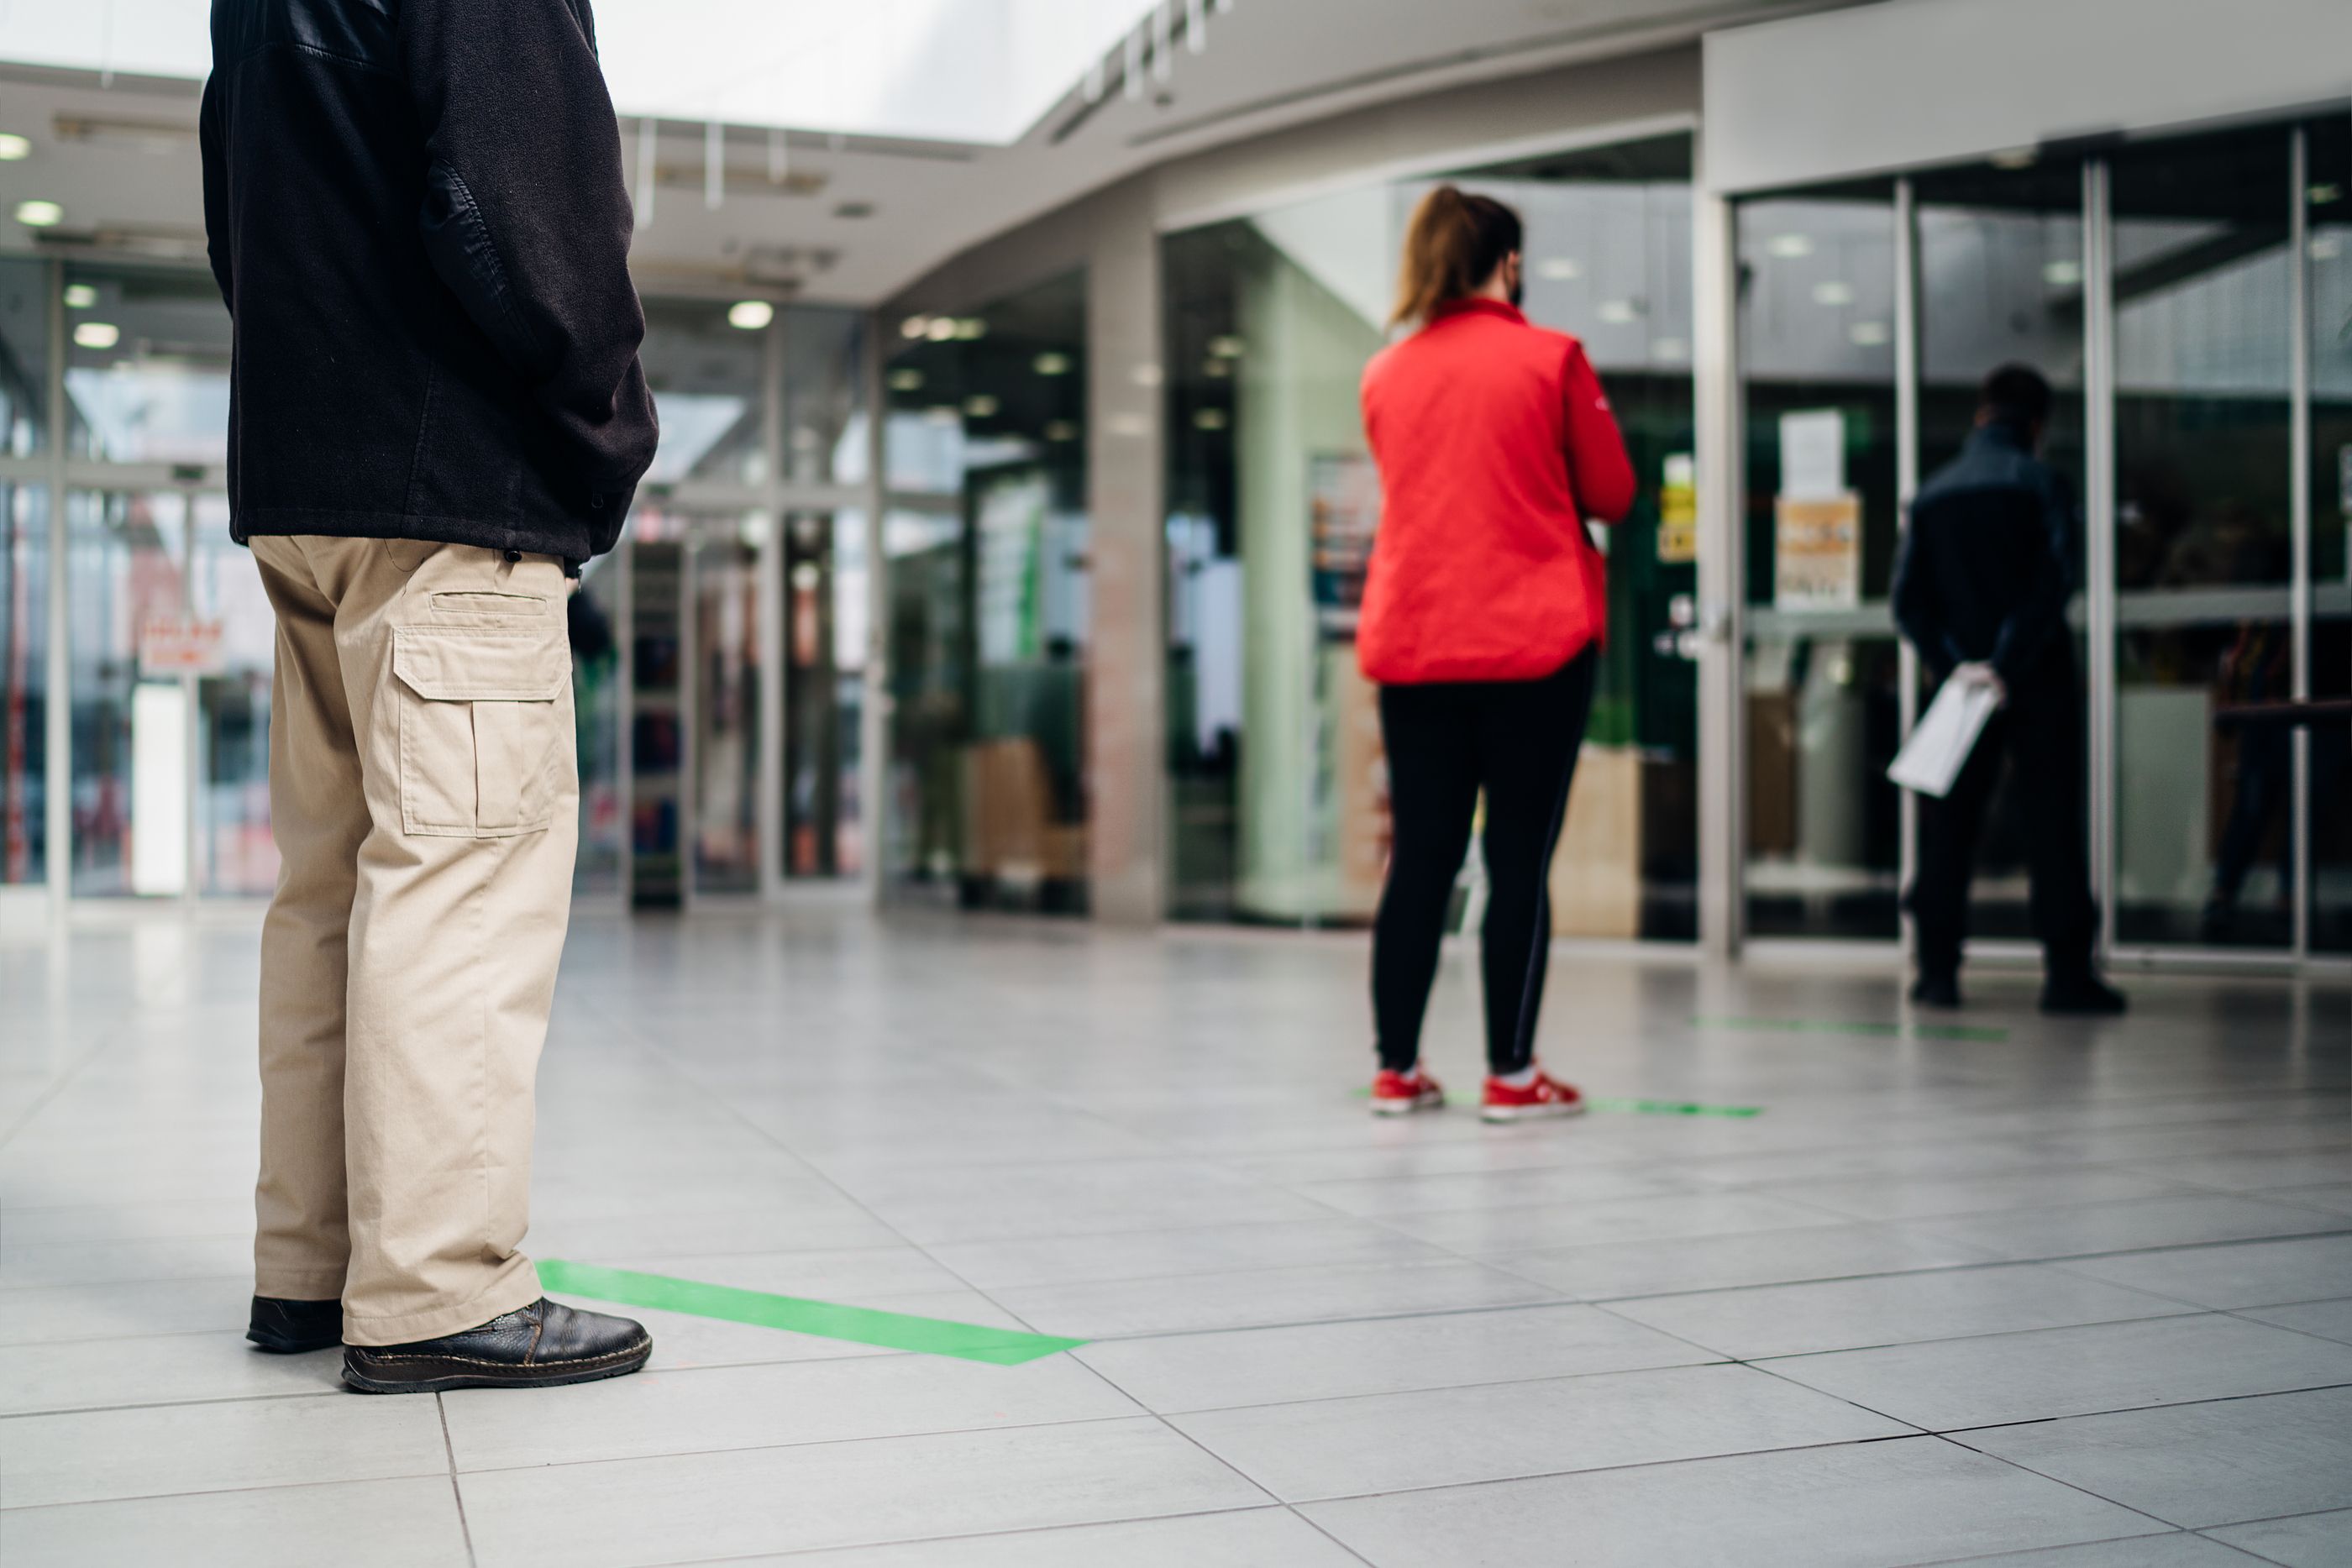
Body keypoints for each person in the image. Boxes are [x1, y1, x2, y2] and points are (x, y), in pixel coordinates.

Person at [203, 0, 661, 1390]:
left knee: (334, 890)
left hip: (304, 483)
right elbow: (531, 204)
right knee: (461, 880)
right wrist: (609, 430)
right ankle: (437, 1284)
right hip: (447, 483)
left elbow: (240, 209)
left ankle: (316, 1264)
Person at [1357, 186, 1635, 1122]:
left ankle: (1396, 1068)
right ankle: (1511, 1077)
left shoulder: (1384, 375)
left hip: (1415, 645)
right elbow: (1613, 491)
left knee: (1421, 859)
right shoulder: (1549, 359)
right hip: (1533, 646)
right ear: (1508, 264)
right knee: (1517, 861)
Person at [1893, 364, 2125, 1015]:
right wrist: (2006, 662)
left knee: (1951, 829)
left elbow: (1908, 603)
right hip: (2037, 679)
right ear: (2037, 425)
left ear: (1980, 414)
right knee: (2052, 821)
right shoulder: (2043, 483)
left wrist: (1960, 666)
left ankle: (1937, 973)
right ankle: (2067, 976)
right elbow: (2055, 583)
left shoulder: (1932, 494)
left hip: (1960, 688)